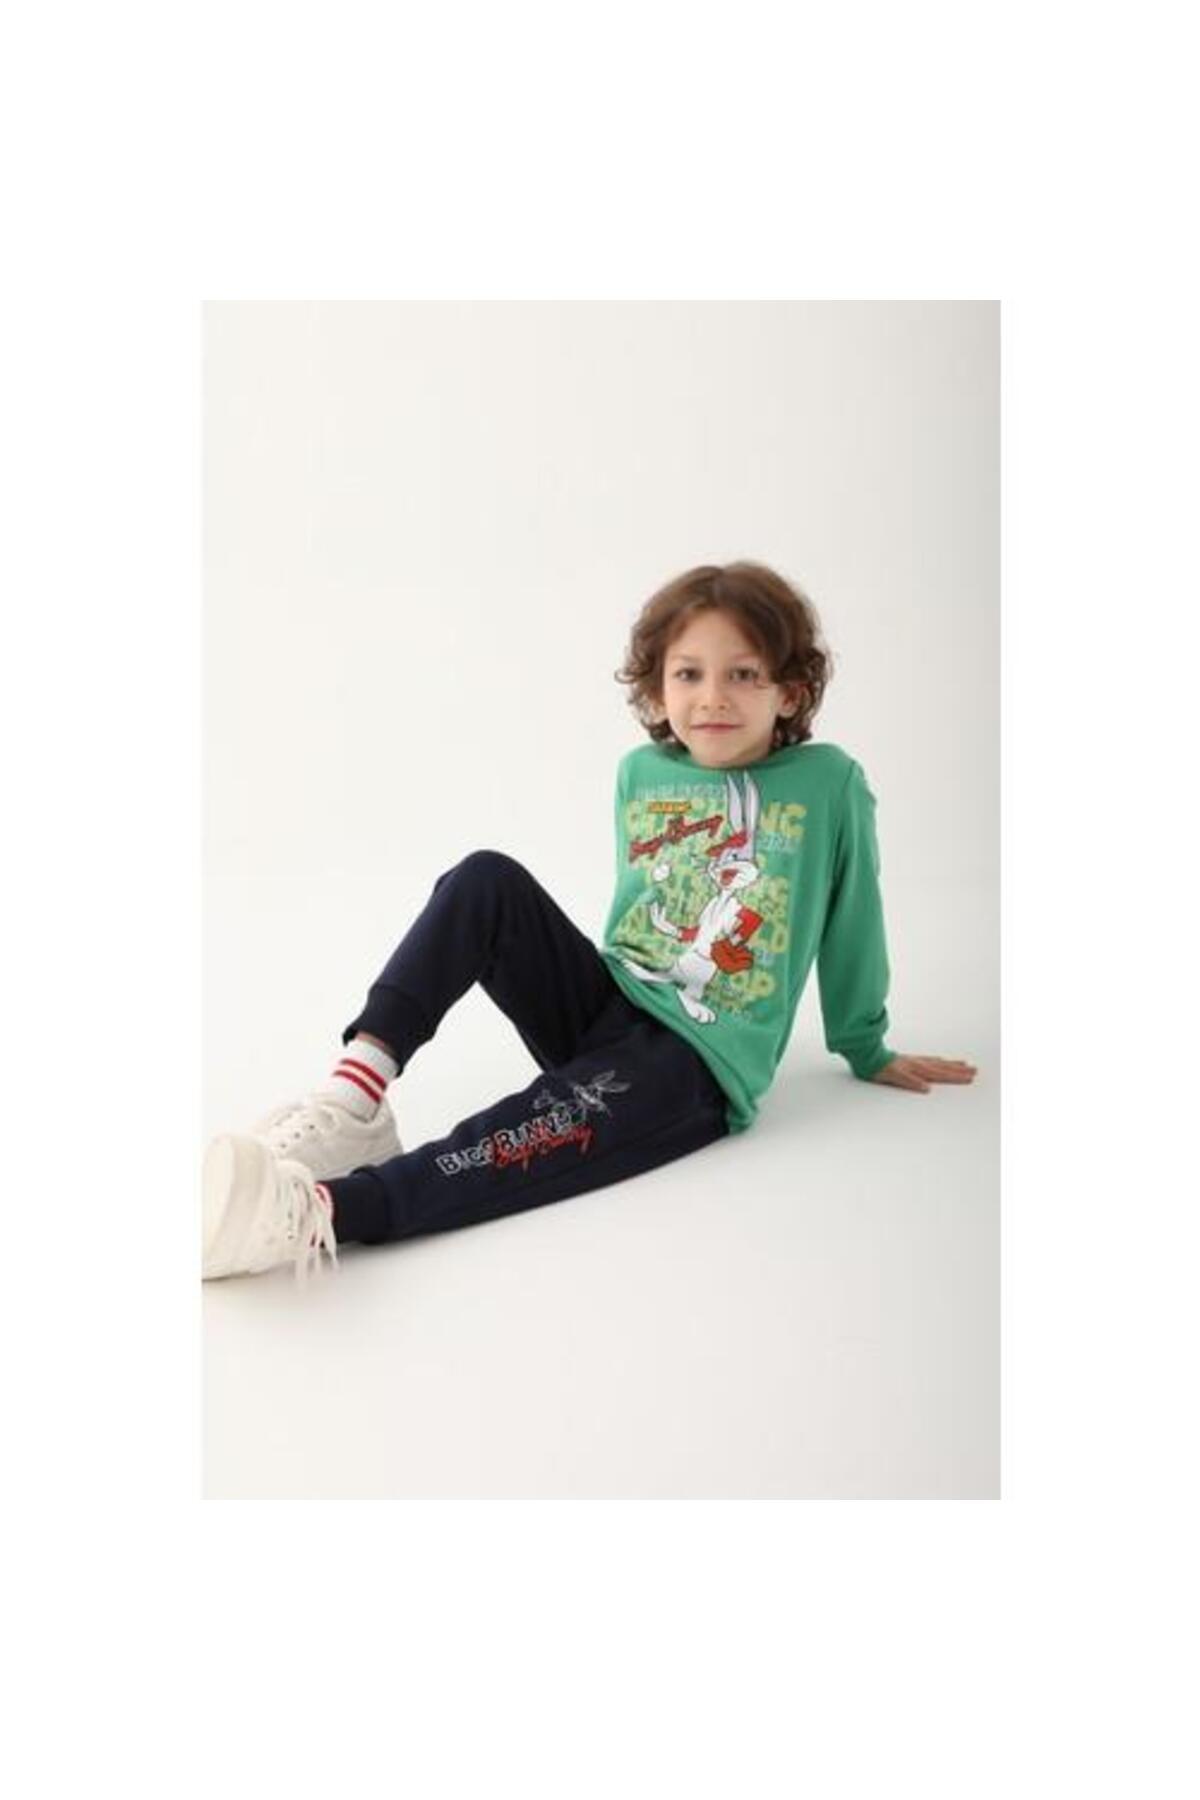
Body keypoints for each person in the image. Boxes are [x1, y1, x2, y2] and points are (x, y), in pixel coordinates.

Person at [202, 561, 978, 1284]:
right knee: (484, 879)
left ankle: (317, 1213)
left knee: (535, 1129)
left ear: (791, 692)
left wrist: (864, 1043)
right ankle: (355, 1097)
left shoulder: (827, 783)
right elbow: (644, 913)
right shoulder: (641, 772)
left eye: (743, 674)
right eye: (689, 674)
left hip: (698, 1064)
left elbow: (854, 914)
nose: (713, 697)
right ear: (656, 692)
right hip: (609, 1002)